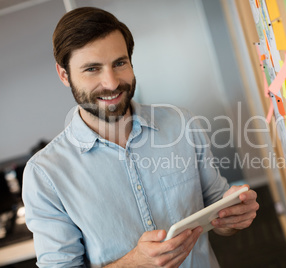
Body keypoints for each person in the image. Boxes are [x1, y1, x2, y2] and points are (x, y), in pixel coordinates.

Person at [22, 7, 259, 268]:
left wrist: (232, 217)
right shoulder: (44, 175)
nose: (111, 83)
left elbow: (217, 212)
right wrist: (134, 263)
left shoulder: (181, 124)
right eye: (92, 69)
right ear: (64, 74)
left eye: (119, 63)